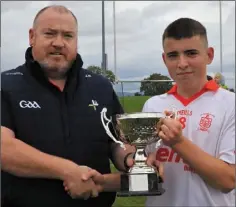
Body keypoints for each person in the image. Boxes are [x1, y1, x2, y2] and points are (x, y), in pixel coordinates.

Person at [1, 5, 136, 207]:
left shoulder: (100, 86)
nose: (58, 43)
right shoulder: (6, 85)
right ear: (32, 36)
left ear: (76, 40)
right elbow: (5, 148)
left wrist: (131, 159)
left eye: (67, 36)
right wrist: (67, 170)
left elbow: (116, 141)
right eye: (50, 34)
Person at [143, 18, 235, 206]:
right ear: (164, 59)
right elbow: (144, 168)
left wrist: (178, 142)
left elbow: (228, 180)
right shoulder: (152, 106)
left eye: (191, 53)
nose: (182, 63)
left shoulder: (230, 104)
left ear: (209, 55)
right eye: (173, 55)